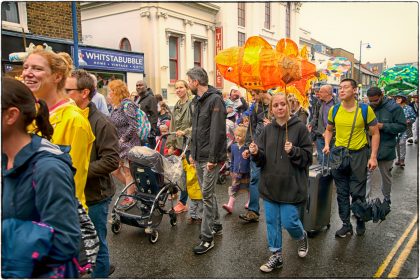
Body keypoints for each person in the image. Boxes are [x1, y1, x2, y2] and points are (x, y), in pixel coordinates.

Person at [2, 77, 80, 278]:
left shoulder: (47, 169)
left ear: (11, 116)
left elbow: (66, 240)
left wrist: (6, 235)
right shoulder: (5, 160)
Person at [22, 49, 95, 210]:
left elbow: (72, 182)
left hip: (58, 217)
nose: (27, 73)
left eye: (37, 68)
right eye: (25, 67)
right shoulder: (29, 114)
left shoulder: (74, 121)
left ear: (57, 76)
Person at [248, 93, 312, 273]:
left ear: (289, 106)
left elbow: (307, 158)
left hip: (291, 186)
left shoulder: (299, 128)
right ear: (271, 109)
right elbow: (261, 159)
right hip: (270, 185)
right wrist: (254, 153)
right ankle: (276, 255)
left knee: (290, 221)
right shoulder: (267, 130)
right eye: (275, 105)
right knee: (272, 222)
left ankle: (301, 236)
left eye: (283, 104)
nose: (279, 108)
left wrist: (294, 151)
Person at [65, 70, 120, 278]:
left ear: (84, 93)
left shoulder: (102, 123)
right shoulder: (68, 118)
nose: (64, 94)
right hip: (74, 195)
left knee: (97, 246)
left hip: (96, 196)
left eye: (68, 90)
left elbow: (111, 161)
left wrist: (76, 170)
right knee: (80, 244)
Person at [322, 78, 380, 237]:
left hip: (359, 155)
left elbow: (375, 133)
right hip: (338, 155)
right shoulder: (334, 110)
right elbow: (328, 130)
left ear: (355, 90)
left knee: (357, 192)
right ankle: (346, 225)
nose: (341, 90)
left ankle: (360, 219)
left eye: (345, 87)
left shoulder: (364, 110)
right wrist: (327, 144)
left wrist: (373, 157)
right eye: (340, 88)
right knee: (341, 192)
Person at [187, 66, 227, 254]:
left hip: (210, 159)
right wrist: (192, 153)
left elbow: (217, 132)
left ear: (196, 82)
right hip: (199, 156)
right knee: (208, 195)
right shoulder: (197, 101)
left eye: (189, 81)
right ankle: (217, 223)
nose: (188, 85)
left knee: (206, 197)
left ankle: (207, 237)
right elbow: (196, 130)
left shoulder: (215, 99)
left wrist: (212, 159)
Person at [365, 87, 406, 205]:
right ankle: (366, 202)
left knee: (386, 176)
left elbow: (402, 126)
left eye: (375, 100)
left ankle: (386, 198)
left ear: (382, 95)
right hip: (369, 148)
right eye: (370, 101)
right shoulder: (366, 108)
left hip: (386, 148)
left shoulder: (394, 108)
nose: (373, 103)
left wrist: (383, 126)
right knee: (366, 175)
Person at [108, 79, 141, 210]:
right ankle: (134, 189)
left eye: (111, 91)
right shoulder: (116, 106)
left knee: (128, 172)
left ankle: (130, 197)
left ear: (117, 92)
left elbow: (133, 126)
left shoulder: (127, 105)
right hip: (118, 145)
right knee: (114, 170)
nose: (109, 94)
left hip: (129, 144)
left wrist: (123, 139)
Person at [239, 89, 271, 222]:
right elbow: (250, 130)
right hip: (255, 149)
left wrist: (272, 125)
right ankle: (253, 211)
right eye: (251, 94)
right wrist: (247, 147)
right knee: (255, 179)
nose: (253, 97)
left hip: (272, 149)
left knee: (273, 181)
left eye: (255, 94)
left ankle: (277, 213)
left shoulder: (276, 104)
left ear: (263, 91)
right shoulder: (255, 107)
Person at [167, 80, 194, 214]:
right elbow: (172, 126)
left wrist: (185, 132)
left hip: (191, 144)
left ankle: (185, 203)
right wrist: (170, 144)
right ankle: (182, 199)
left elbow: (197, 124)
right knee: (178, 173)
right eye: (176, 88)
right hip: (179, 144)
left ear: (187, 88)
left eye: (181, 87)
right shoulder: (176, 105)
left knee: (189, 175)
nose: (178, 90)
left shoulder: (192, 104)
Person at [222, 126, 250, 214]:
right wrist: (231, 170)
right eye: (236, 135)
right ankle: (230, 205)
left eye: (240, 136)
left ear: (244, 136)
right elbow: (232, 159)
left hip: (247, 171)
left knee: (249, 188)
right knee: (234, 187)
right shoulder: (233, 146)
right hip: (236, 172)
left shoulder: (247, 147)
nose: (237, 137)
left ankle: (250, 202)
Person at [308, 84, 338, 163]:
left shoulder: (337, 104)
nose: (318, 94)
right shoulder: (319, 103)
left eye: (321, 92)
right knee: (322, 159)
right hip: (320, 134)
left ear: (327, 93)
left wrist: (330, 132)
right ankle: (323, 174)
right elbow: (315, 116)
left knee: (332, 159)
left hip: (333, 136)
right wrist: (311, 124)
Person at [134, 79, 159, 147]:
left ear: (146, 87)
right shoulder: (137, 99)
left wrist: (151, 132)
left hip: (147, 135)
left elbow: (154, 116)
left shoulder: (151, 98)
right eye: (137, 86)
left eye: (140, 85)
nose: (138, 87)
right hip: (138, 133)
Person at [395, 94, 417, 167]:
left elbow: (413, 117)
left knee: (402, 143)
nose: (397, 99)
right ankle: (398, 159)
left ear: (403, 99)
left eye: (399, 98)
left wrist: (409, 121)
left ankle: (402, 159)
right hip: (395, 129)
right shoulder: (394, 108)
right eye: (396, 98)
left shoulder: (409, 108)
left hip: (404, 129)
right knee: (397, 144)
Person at [183, 155, 204, 225]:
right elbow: (185, 165)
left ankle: (201, 218)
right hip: (192, 191)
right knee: (192, 205)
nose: (191, 159)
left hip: (198, 191)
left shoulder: (197, 168)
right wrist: (183, 158)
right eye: (190, 157)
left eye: (192, 157)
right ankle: (193, 216)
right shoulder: (189, 167)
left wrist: (197, 167)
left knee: (201, 206)